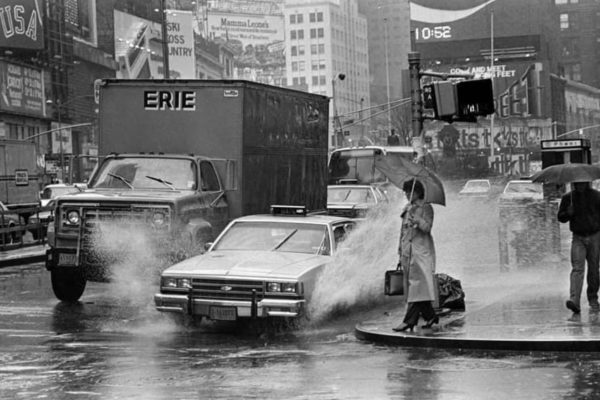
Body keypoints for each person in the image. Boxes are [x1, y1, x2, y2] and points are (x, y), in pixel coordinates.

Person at [393, 179, 438, 332]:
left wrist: (417, 219)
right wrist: (400, 250)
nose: (406, 194)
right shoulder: (407, 208)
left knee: (416, 287)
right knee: (416, 287)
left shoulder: (426, 208)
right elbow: (403, 231)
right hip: (407, 252)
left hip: (420, 253)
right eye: (405, 192)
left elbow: (427, 228)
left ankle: (409, 321)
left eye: (408, 191)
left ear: (417, 192)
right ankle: (430, 315)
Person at [557, 181, 600, 314]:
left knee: (593, 268)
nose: (580, 185)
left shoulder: (596, 196)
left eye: (582, 183)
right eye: (577, 183)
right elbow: (561, 217)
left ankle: (593, 298)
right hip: (578, 237)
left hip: (594, 235)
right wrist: (568, 213)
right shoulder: (568, 198)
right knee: (577, 268)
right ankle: (574, 300)